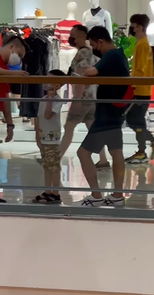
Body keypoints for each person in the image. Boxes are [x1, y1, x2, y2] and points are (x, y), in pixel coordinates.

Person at [75, 26, 129, 206]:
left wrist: (81, 71)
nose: (94, 48)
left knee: (83, 153)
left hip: (106, 115)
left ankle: (96, 196)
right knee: (116, 153)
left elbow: (91, 72)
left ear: (100, 41)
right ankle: (117, 195)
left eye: (93, 44)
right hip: (114, 112)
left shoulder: (111, 55)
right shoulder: (120, 55)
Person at [0, 36, 29, 203]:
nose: (18, 58)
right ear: (11, 48)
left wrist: (10, 123)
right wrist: (12, 73)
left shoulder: (4, 67)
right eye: (19, 54)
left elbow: (5, 98)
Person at [59, 24, 110, 169]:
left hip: (82, 98)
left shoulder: (83, 53)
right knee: (92, 128)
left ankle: (56, 158)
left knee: (69, 128)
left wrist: (78, 99)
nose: (71, 38)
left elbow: (82, 76)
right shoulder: (91, 52)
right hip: (92, 98)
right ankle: (103, 160)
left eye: (73, 35)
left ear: (82, 37)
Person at [124, 14, 154, 164]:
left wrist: (132, 85)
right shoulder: (144, 43)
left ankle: (145, 148)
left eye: (133, 25)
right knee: (136, 120)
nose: (131, 29)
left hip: (139, 90)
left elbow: (139, 70)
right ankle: (148, 145)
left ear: (139, 27)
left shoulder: (141, 45)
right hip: (143, 89)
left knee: (134, 120)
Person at [32, 69, 68, 204]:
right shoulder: (43, 99)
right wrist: (37, 135)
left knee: (54, 166)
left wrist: (51, 98)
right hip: (43, 137)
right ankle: (47, 191)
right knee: (47, 166)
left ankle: (55, 193)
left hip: (53, 139)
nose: (45, 82)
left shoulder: (57, 100)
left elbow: (48, 115)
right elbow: (39, 118)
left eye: (49, 79)